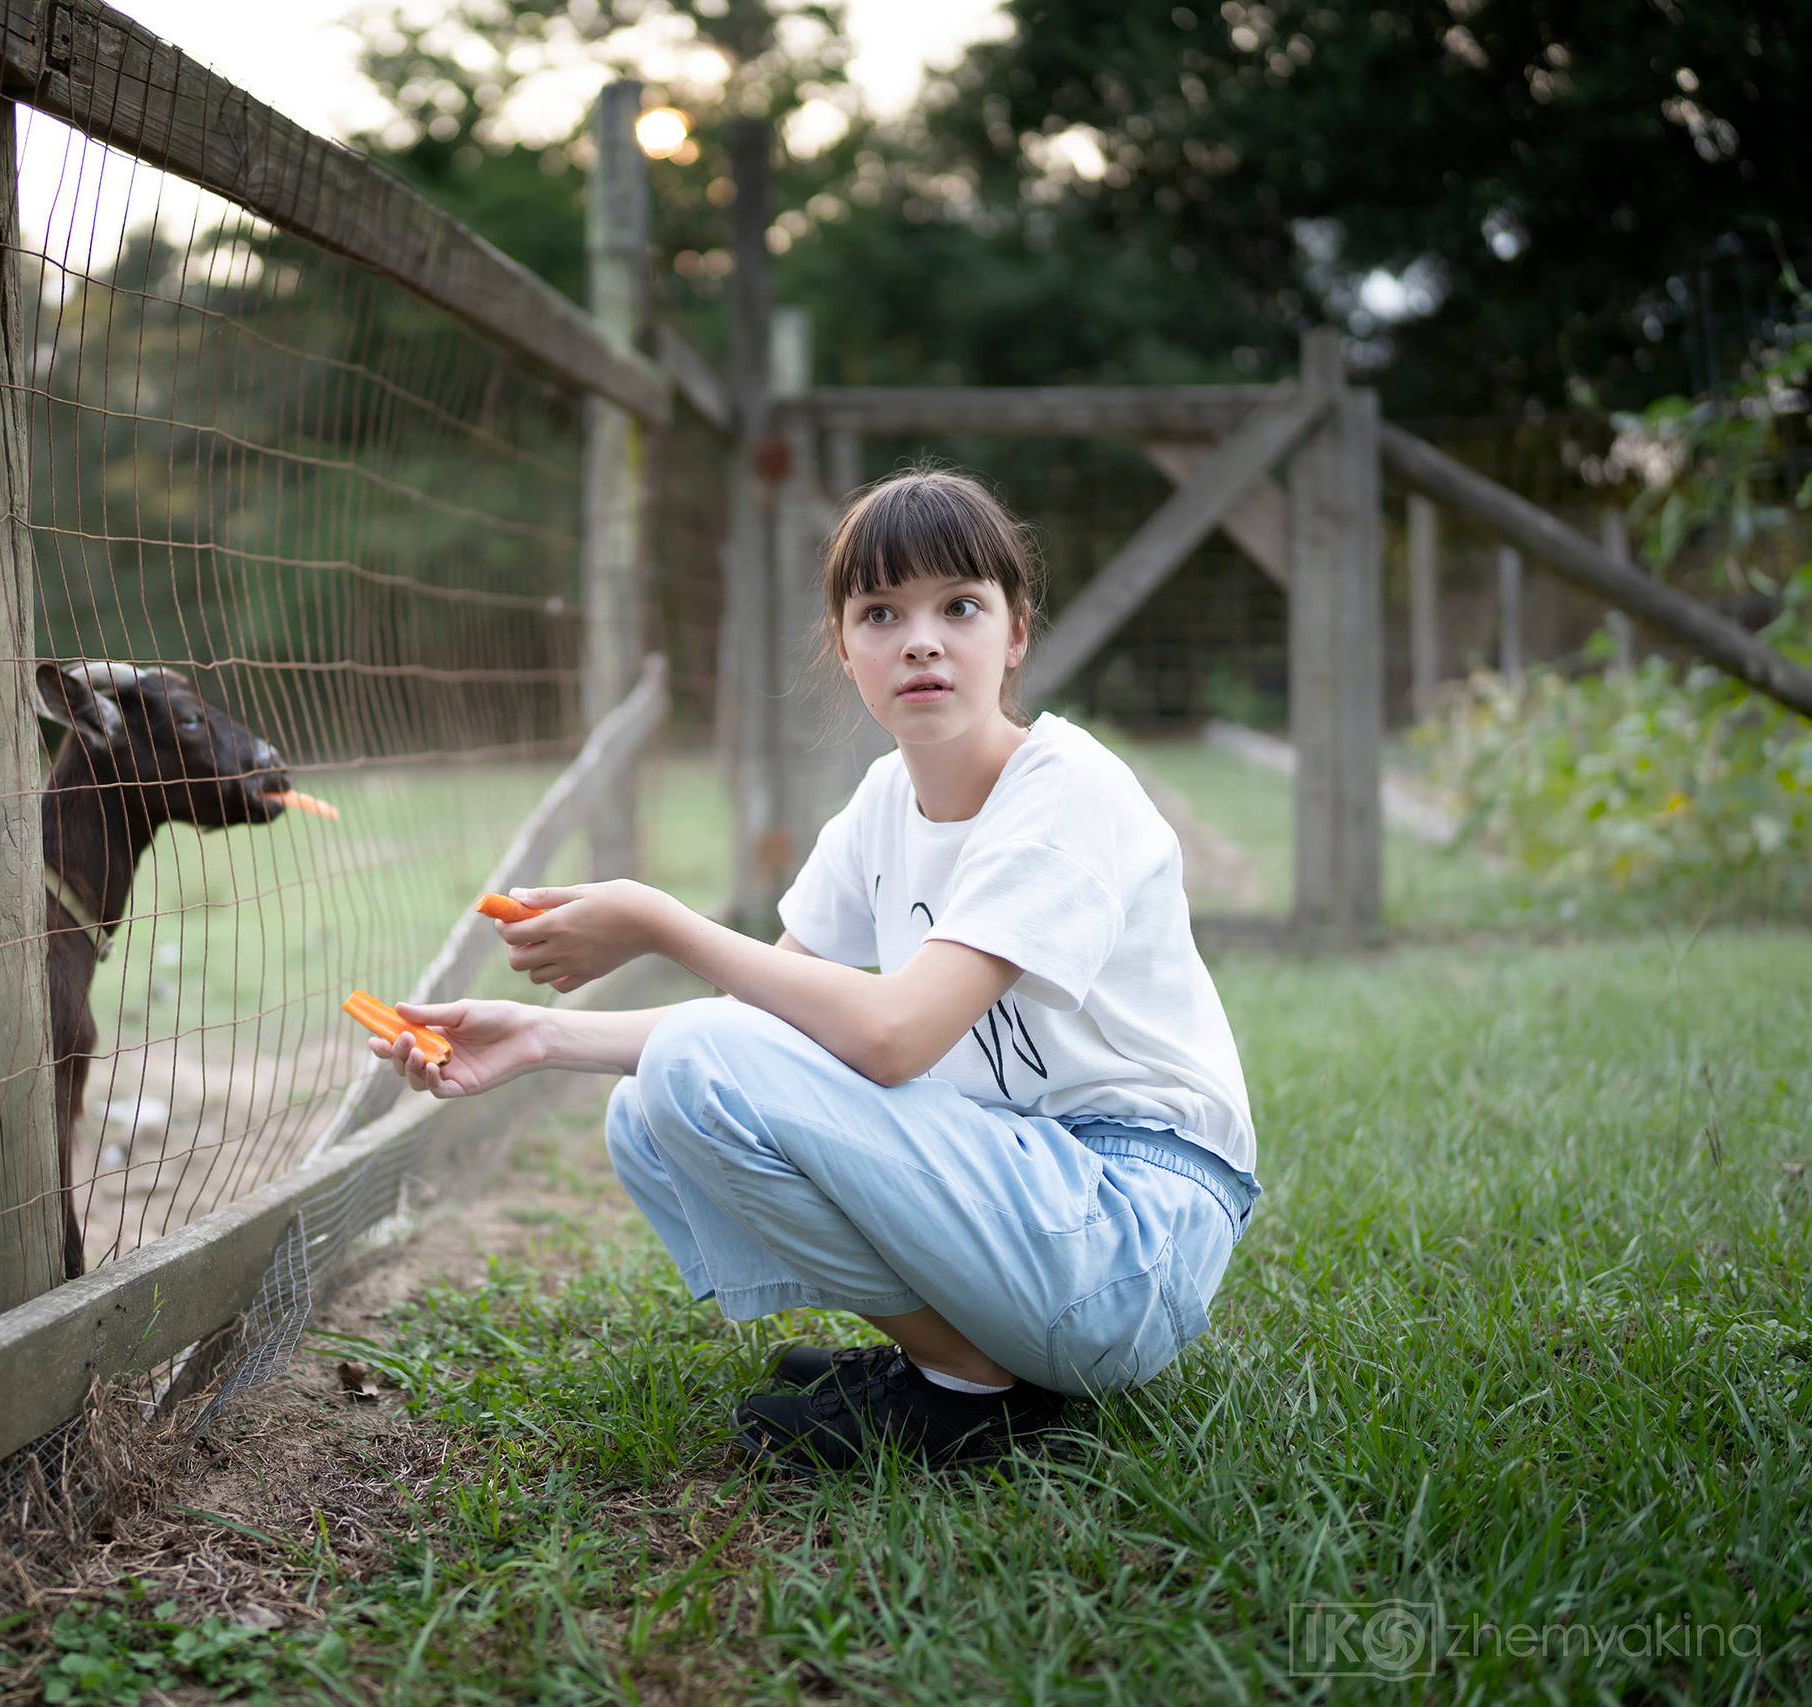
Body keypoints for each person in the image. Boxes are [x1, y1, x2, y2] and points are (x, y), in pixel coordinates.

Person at [368, 468, 1262, 1475]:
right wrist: (537, 1039)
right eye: (881, 612)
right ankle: (960, 1361)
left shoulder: (1068, 792)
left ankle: (968, 1393)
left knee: (695, 1063)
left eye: (959, 606)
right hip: (1025, 1188)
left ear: (1015, 634)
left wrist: (663, 922)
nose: (920, 638)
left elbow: (890, 1037)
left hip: (1133, 1231)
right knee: (652, 1109)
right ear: (845, 648)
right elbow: (765, 1038)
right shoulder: (885, 802)